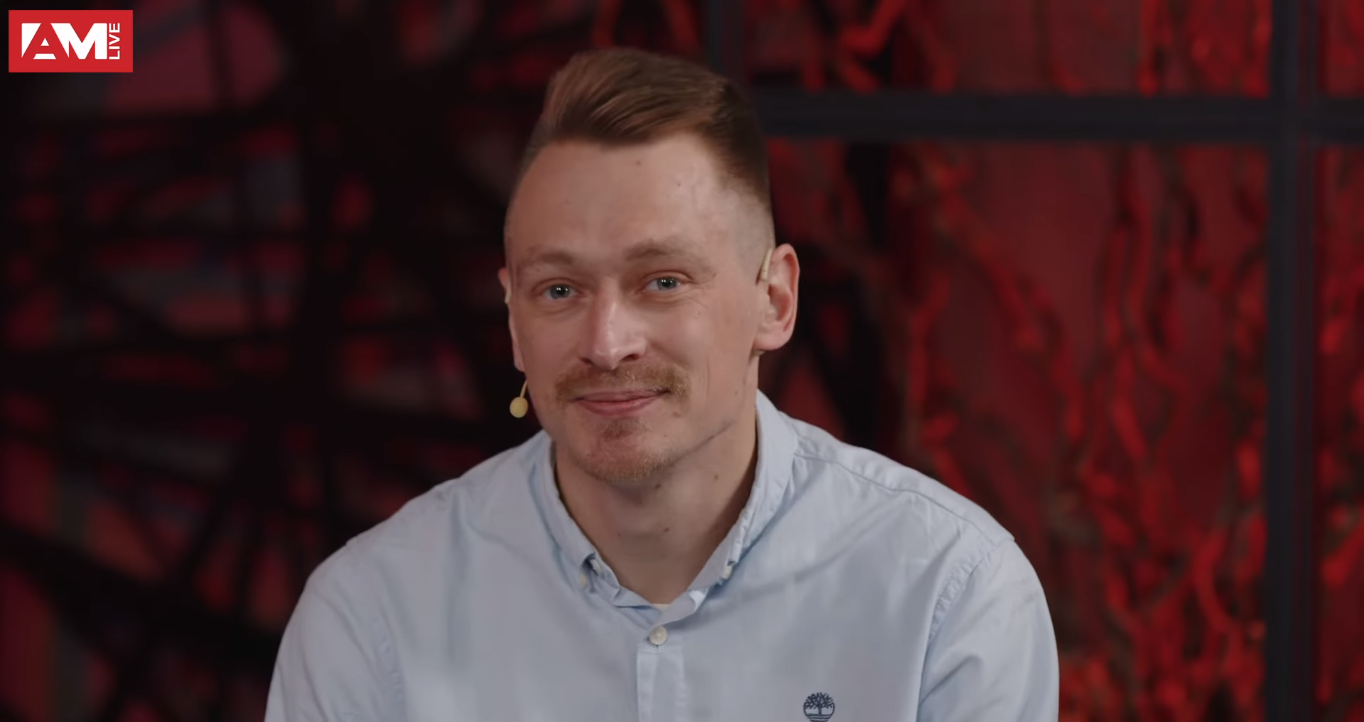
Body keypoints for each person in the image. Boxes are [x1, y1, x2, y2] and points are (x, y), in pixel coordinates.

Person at [264, 47, 1058, 722]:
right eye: (560, 290)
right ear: (512, 320)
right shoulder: (372, 615)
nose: (607, 343)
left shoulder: (948, 592)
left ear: (775, 300)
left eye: (664, 282)